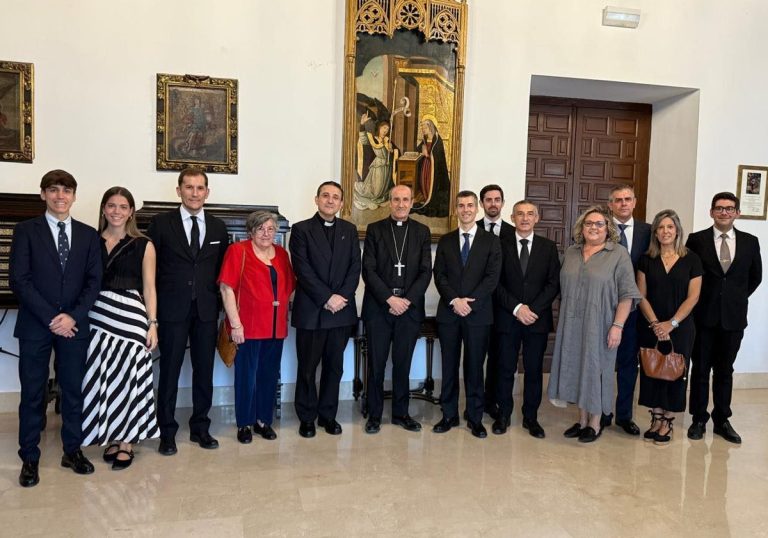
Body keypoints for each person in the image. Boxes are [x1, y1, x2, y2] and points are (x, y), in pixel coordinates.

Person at [9, 170, 102, 487]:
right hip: (37, 325)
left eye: (66, 190)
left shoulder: (89, 235)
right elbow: (19, 280)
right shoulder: (26, 231)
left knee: (73, 391)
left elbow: (94, 282)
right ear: (43, 195)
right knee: (33, 393)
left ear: (74, 196)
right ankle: (30, 458)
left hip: (75, 326)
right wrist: (53, 317)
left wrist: (72, 316)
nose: (60, 196)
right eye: (53, 190)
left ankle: (72, 451)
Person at [147, 168, 229, 455]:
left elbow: (222, 272)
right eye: (189, 187)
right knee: (168, 371)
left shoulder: (219, 228)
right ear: (178, 190)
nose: (195, 193)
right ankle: (166, 431)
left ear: (207, 192)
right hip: (171, 309)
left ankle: (200, 428)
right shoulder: (160, 224)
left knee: (204, 370)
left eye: (200, 188)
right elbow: (151, 271)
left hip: (206, 310)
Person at [547, 205, 641, 443]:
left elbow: (628, 294)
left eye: (599, 224)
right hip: (571, 323)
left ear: (608, 229)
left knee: (597, 371)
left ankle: (596, 423)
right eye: (589, 223)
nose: (594, 228)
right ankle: (581, 420)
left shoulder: (618, 254)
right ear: (582, 227)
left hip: (602, 325)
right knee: (576, 368)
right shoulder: (571, 252)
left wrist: (618, 326)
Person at [82, 187, 160, 470]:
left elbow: (150, 287)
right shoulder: (89, 240)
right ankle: (111, 436)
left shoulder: (144, 245)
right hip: (97, 315)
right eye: (111, 206)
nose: (117, 211)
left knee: (130, 380)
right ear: (103, 209)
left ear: (131, 212)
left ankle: (128, 441)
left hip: (131, 316)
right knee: (103, 377)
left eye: (123, 206)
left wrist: (152, 324)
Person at [685, 192, 762, 444]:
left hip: (733, 318)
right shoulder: (696, 240)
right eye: (719, 208)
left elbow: (755, 278)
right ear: (711, 212)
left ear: (737, 213)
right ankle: (698, 418)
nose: (724, 212)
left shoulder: (751, 242)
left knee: (724, 371)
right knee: (700, 369)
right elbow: (690, 275)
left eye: (730, 208)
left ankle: (721, 419)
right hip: (703, 317)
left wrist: (732, 298)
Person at [290, 181, 361, 438]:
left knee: (334, 367)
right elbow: (302, 269)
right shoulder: (300, 230)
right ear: (316, 199)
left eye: (335, 197)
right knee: (308, 367)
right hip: (312, 310)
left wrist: (341, 296)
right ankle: (307, 417)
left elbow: (355, 267)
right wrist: (327, 298)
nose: (330, 201)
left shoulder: (349, 230)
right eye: (325, 196)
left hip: (341, 310)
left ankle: (328, 415)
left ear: (341, 203)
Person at [219, 211, 296, 443]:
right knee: (246, 377)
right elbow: (226, 288)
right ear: (250, 231)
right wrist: (236, 324)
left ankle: (264, 420)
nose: (266, 233)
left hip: (275, 328)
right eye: (260, 228)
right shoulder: (238, 251)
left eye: (271, 229)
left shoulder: (282, 254)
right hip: (247, 327)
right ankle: (244, 423)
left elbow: (289, 286)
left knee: (269, 376)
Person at [361, 185, 432, 434]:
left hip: (409, 310)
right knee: (377, 364)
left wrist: (407, 300)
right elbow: (368, 269)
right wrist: (389, 299)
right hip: (379, 308)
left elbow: (426, 271)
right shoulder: (375, 230)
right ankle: (374, 414)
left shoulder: (422, 232)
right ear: (389, 202)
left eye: (405, 200)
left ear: (412, 203)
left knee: (403, 363)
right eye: (396, 200)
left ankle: (401, 413)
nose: (401, 204)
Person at [433, 191, 501, 438]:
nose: (466, 209)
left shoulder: (491, 241)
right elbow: (438, 274)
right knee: (449, 367)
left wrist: (470, 303)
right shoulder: (446, 240)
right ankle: (448, 415)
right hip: (449, 313)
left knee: (474, 367)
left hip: (478, 314)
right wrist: (454, 300)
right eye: (461, 206)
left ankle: (475, 417)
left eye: (470, 205)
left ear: (478, 208)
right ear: (456, 210)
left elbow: (492, 278)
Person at [494, 200, 560, 438]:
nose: (524, 218)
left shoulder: (548, 247)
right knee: (504, 369)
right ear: (512, 218)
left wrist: (532, 309)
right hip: (507, 318)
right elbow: (495, 283)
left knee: (533, 371)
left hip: (537, 320)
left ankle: (531, 418)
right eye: (520, 214)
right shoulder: (499, 245)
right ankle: (503, 415)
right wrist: (517, 308)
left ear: (537, 218)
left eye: (529, 214)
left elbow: (553, 283)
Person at [636, 210, 702, 444]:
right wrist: (656, 324)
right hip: (651, 325)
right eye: (660, 227)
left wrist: (671, 324)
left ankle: (668, 421)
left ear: (677, 231)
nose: (665, 231)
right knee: (652, 369)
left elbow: (693, 297)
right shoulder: (646, 259)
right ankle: (655, 417)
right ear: (655, 232)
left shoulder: (691, 259)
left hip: (681, 327)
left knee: (675, 372)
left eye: (670, 227)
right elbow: (640, 295)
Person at [603, 185, 651, 435]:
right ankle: (600, 412)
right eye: (617, 200)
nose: (623, 204)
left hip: (633, 309)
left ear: (634, 202)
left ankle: (624, 415)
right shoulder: (599, 227)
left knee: (628, 364)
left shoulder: (648, 231)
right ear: (610, 205)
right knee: (601, 361)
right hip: (603, 304)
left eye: (627, 199)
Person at [477, 184, 515, 420]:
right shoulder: (473, 228)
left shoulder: (513, 232)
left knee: (499, 357)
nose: (493, 203)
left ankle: (495, 402)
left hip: (504, 306)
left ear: (502, 203)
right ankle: (477, 401)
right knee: (476, 356)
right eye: (488, 199)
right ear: (482, 204)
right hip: (478, 304)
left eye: (497, 199)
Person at [354, 112, 399, 210]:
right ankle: (360, 188)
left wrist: (392, 150)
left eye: (387, 129)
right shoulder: (374, 140)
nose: (385, 131)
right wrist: (362, 125)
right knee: (376, 191)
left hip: (387, 168)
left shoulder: (388, 140)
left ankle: (380, 197)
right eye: (384, 128)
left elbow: (397, 152)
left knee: (383, 190)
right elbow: (364, 140)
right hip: (378, 166)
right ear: (379, 128)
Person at [412, 115, 450, 218]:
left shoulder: (437, 140)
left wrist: (427, 154)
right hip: (426, 166)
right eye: (422, 128)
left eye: (425, 128)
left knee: (430, 183)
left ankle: (430, 198)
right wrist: (422, 150)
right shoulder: (425, 139)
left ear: (430, 127)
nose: (423, 130)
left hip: (434, 169)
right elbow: (418, 149)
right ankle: (425, 196)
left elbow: (437, 157)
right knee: (424, 182)